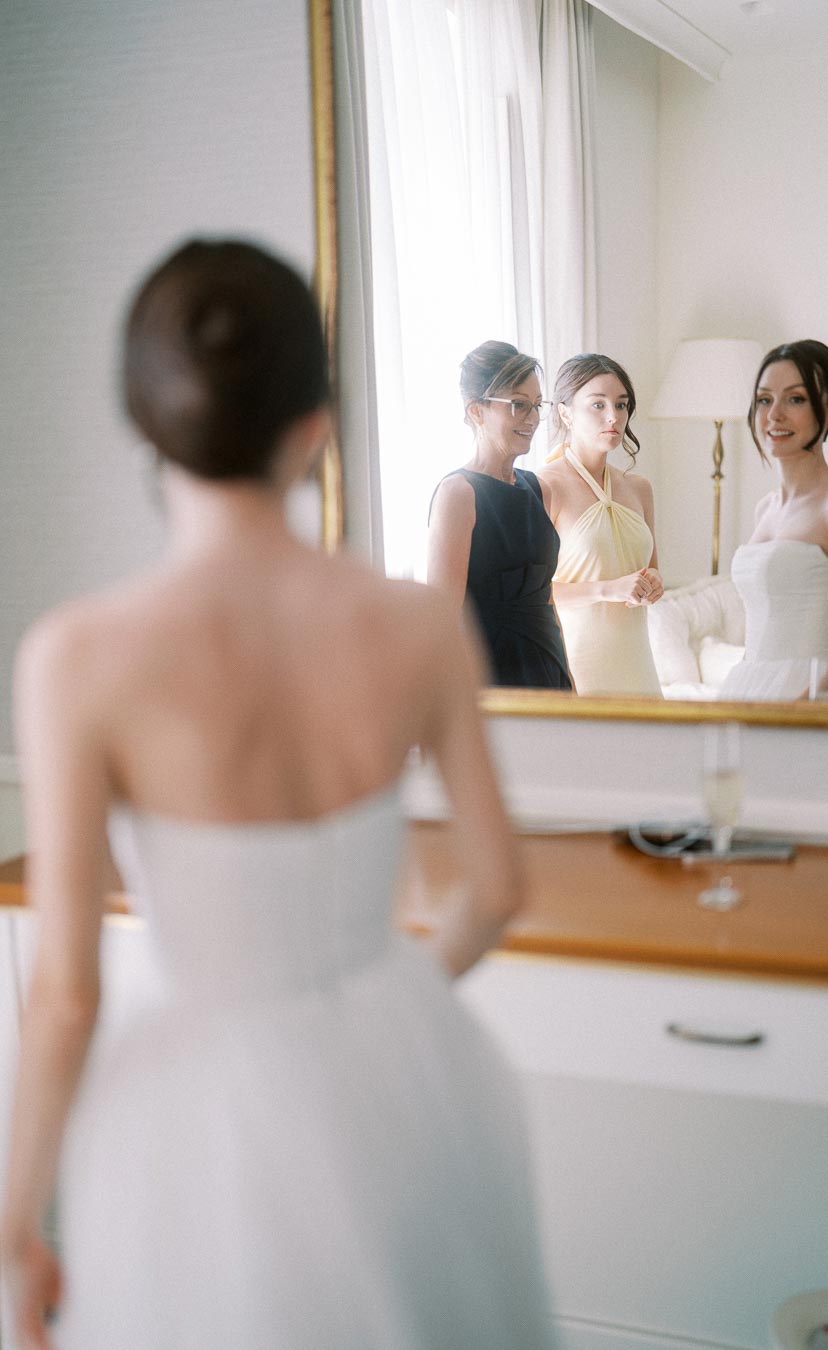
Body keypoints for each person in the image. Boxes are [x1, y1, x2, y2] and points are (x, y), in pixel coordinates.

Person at [0, 240, 559, 1350]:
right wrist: (380, 1004)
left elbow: (64, 998)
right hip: (403, 1075)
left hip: (192, 1105)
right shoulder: (413, 626)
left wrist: (14, 1226)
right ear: (316, 427)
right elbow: (497, 888)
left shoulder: (80, 658)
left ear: (146, 426)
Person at [427, 340, 572, 690]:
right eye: (519, 405)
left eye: (537, 406)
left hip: (551, 676)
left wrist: (571, 685)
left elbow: (547, 604)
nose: (533, 419)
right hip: (493, 682)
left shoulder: (540, 490)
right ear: (476, 411)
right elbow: (443, 619)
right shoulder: (458, 493)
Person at [536, 354, 663, 697]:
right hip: (580, 666)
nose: (614, 417)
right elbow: (533, 595)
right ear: (565, 413)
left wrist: (652, 585)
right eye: (598, 405)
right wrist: (606, 589)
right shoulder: (544, 487)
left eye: (621, 405)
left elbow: (651, 572)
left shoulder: (639, 487)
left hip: (638, 666)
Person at [720, 339, 828, 702]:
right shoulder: (765, 509)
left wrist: (806, 702)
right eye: (765, 400)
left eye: (796, 399)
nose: (775, 415)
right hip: (749, 685)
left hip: (812, 694)